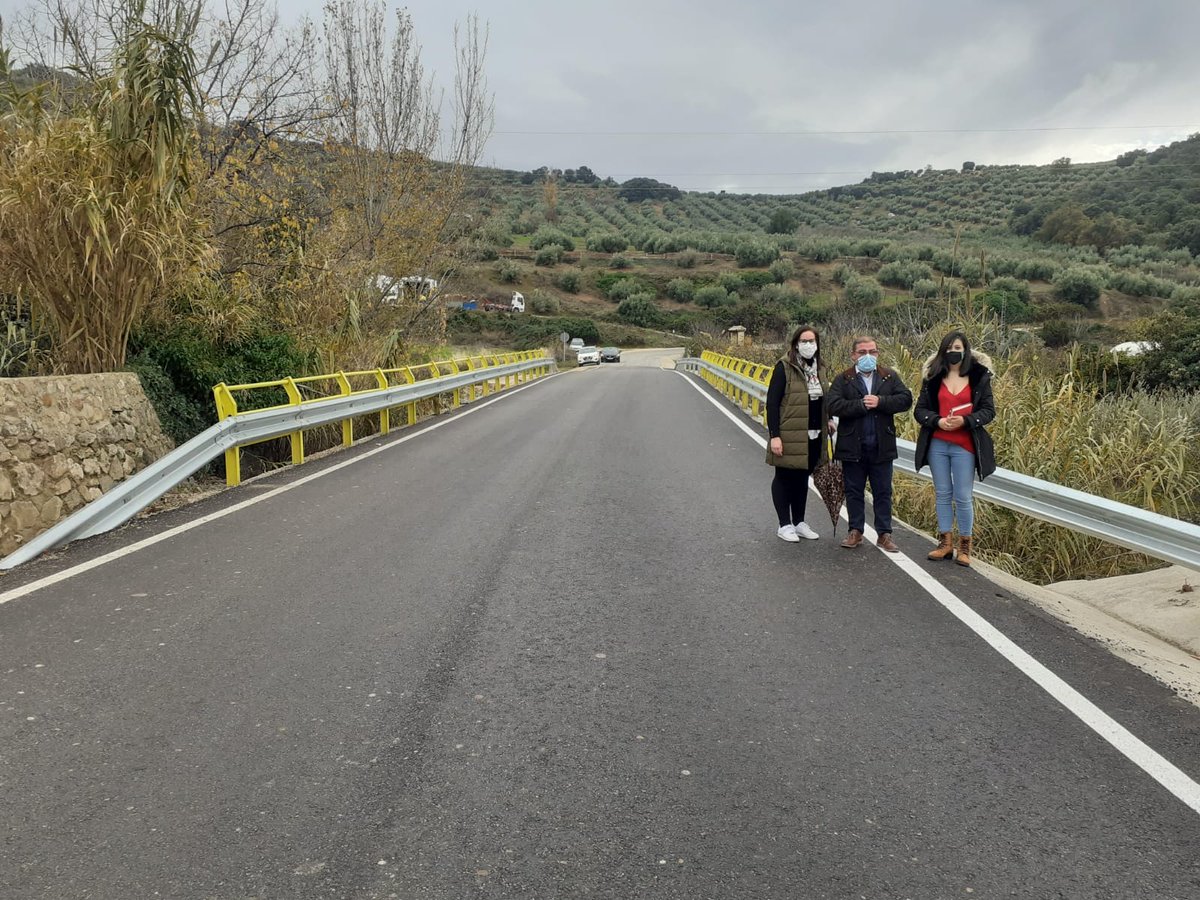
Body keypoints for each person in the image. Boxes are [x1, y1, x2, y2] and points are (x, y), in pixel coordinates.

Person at [913, 330, 996, 567]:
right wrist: (937, 421)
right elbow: (920, 410)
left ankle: (965, 547)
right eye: (949, 348)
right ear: (943, 351)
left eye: (958, 348)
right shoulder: (933, 377)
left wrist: (966, 421)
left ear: (966, 350)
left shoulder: (980, 377)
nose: (953, 352)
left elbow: (989, 411)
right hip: (938, 443)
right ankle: (945, 543)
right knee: (942, 494)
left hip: (965, 445)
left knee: (962, 496)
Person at [827, 335, 913, 552]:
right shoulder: (844, 378)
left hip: (881, 445)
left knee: (883, 491)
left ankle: (884, 533)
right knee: (854, 490)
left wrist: (881, 402)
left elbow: (905, 400)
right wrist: (860, 405)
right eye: (862, 352)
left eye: (872, 352)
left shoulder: (888, 377)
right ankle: (855, 531)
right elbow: (833, 404)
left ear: (878, 354)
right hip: (852, 446)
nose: (867, 356)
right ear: (853, 355)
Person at [765, 325, 831, 542]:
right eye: (804, 341)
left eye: (812, 341)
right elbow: (772, 403)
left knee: (803, 477)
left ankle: (799, 521)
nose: (809, 345)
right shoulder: (784, 367)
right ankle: (784, 524)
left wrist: (828, 419)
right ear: (795, 344)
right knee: (784, 477)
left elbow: (824, 398)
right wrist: (775, 435)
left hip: (814, 433)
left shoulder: (820, 368)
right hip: (789, 432)